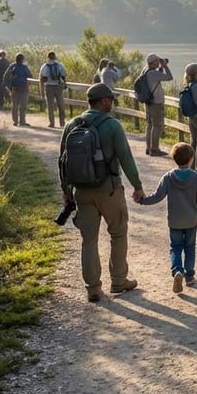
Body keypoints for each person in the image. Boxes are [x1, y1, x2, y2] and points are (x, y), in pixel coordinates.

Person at [61, 83, 145, 302]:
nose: (113, 103)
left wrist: (66, 190)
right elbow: (125, 157)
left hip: (82, 191)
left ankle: (93, 289)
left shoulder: (72, 124)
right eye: (111, 99)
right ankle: (118, 280)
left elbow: (63, 161)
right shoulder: (112, 125)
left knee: (88, 239)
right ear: (103, 101)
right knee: (118, 233)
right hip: (108, 189)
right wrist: (137, 185)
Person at [137, 142, 197, 294]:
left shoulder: (168, 177)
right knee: (190, 248)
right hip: (191, 220)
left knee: (175, 247)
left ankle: (177, 271)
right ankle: (189, 276)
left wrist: (142, 200)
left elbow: (157, 196)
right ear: (191, 159)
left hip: (174, 221)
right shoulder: (195, 177)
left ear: (174, 159)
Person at [142, 53, 173, 156]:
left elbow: (158, 78)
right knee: (157, 125)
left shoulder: (146, 70)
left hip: (148, 101)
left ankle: (148, 148)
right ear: (153, 62)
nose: (159, 62)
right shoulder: (153, 74)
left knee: (150, 125)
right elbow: (169, 77)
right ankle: (155, 149)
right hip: (156, 102)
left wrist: (160, 67)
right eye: (157, 61)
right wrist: (165, 66)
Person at [39, 51, 69, 128]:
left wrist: (42, 91)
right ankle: (62, 122)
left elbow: (42, 79)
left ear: (48, 57)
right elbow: (63, 75)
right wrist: (65, 84)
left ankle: (52, 123)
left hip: (49, 87)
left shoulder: (44, 66)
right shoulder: (59, 65)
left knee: (50, 106)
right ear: (55, 57)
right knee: (61, 104)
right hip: (58, 86)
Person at [4, 53, 33, 126]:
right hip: (19, 88)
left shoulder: (15, 67)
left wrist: (8, 86)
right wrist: (9, 86)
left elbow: (5, 77)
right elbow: (30, 76)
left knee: (17, 105)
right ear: (22, 59)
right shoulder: (18, 67)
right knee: (20, 105)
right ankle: (20, 121)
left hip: (20, 88)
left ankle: (17, 121)